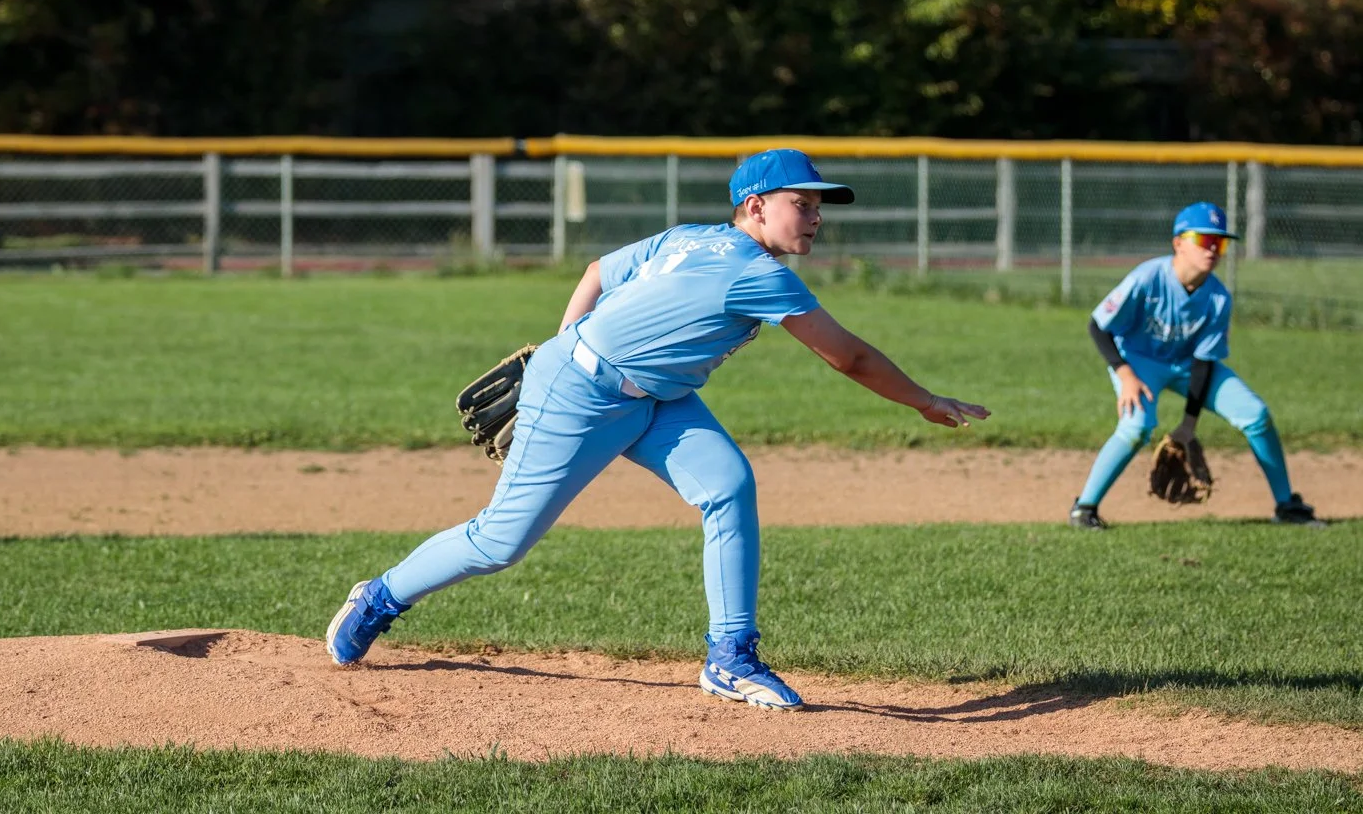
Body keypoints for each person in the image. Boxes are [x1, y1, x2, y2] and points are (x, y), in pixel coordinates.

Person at [326, 148, 990, 710]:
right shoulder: (756, 272)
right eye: (803, 204)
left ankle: (730, 657)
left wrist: (565, 343)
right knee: (502, 542)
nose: (815, 219)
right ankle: (380, 598)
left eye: (819, 207)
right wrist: (924, 400)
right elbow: (850, 357)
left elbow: (595, 273)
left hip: (656, 398)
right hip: (583, 394)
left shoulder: (686, 236)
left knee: (728, 486)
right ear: (756, 206)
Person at [1069, 202, 1321, 530]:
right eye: (1204, 240)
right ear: (1178, 243)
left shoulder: (1218, 298)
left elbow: (1204, 361)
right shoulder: (1148, 278)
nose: (1213, 249)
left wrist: (1188, 424)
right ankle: (1084, 508)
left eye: (1221, 242)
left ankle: (1286, 505)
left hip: (1188, 366)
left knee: (1256, 415)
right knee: (1137, 427)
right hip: (1137, 362)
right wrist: (1124, 373)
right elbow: (1097, 325)